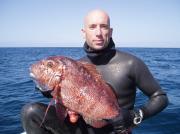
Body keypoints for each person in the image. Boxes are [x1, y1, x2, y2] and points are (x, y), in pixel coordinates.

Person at [21, 9, 168, 134]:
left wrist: (135, 115)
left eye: (103, 26)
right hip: (81, 129)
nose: (98, 32)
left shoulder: (131, 63)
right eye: (92, 27)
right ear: (83, 32)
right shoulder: (78, 66)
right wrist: (46, 89)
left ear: (110, 31)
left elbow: (160, 97)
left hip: (116, 131)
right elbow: (69, 102)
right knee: (31, 112)